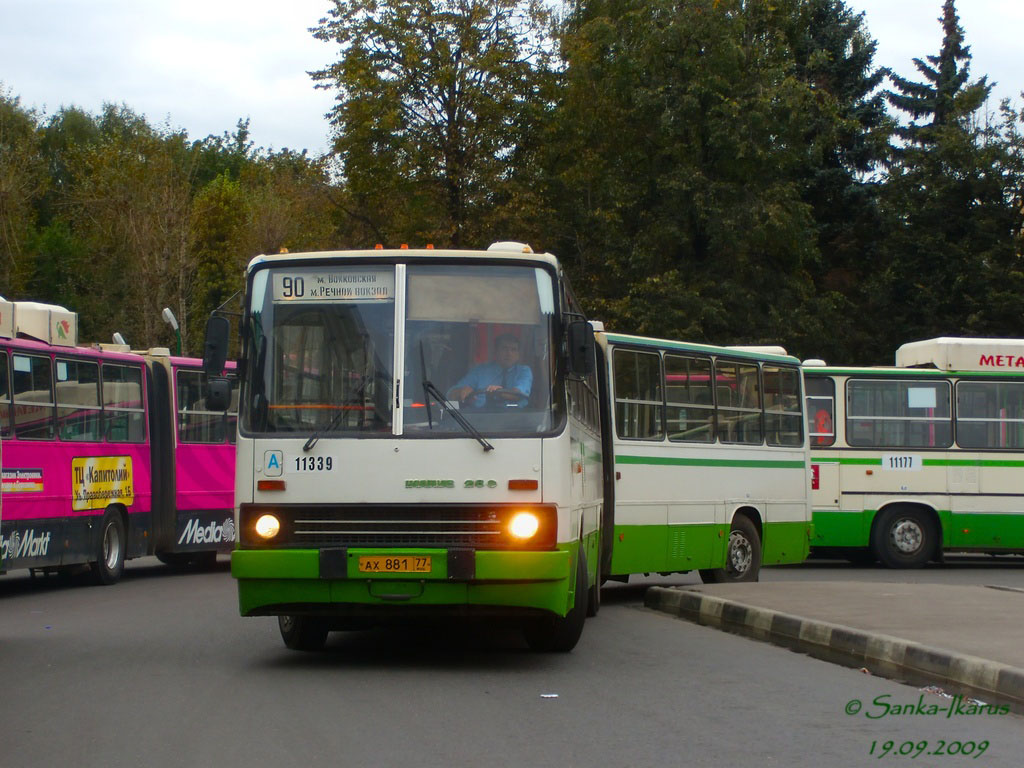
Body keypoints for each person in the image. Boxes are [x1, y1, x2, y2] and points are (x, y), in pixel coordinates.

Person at [449, 333, 532, 409]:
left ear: (518, 355)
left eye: (513, 349)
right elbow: (451, 394)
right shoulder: (480, 371)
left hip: (517, 420)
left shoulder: (524, 371)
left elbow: (518, 394)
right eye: (504, 348)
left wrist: (498, 393)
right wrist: (462, 391)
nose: (509, 353)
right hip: (479, 419)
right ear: (496, 351)